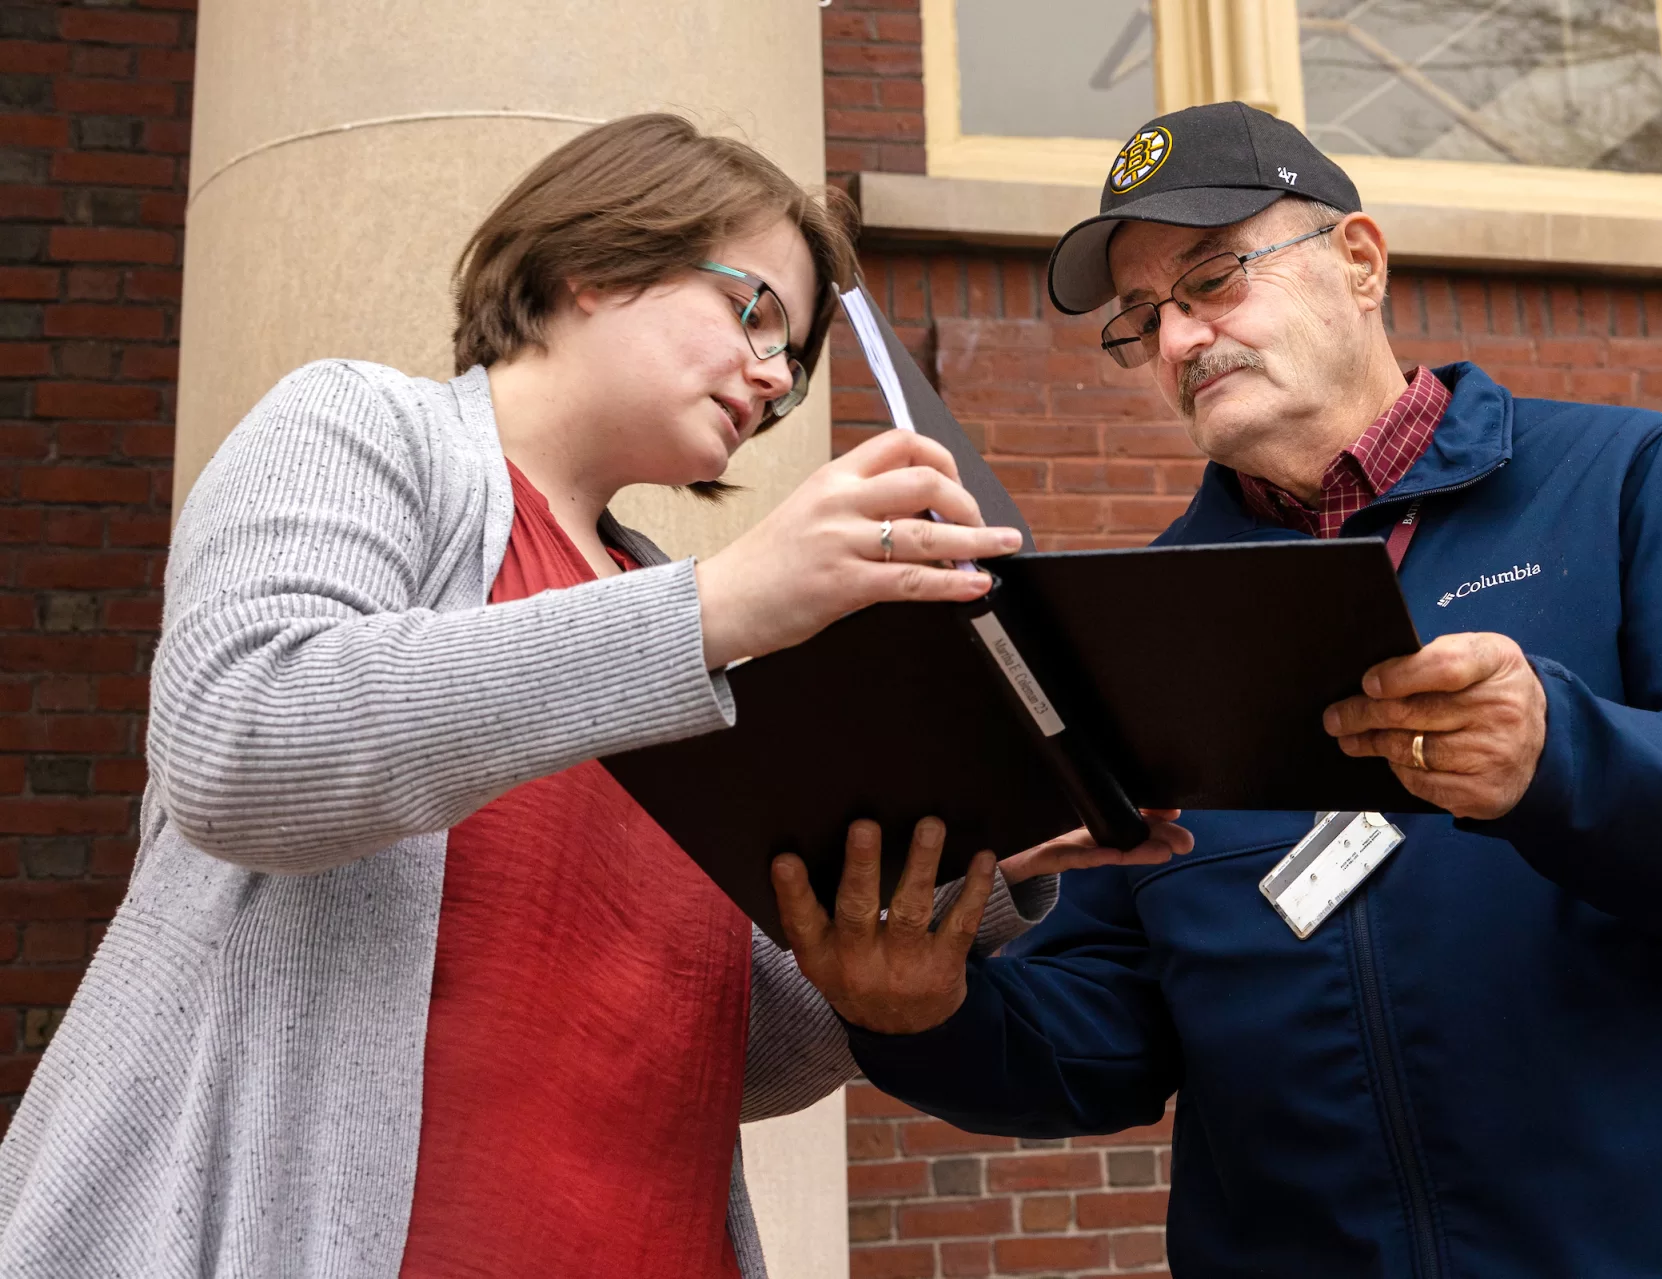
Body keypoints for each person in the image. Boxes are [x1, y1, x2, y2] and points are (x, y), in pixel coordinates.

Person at [0, 114, 1192, 1279]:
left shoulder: (691, 619)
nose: (775, 378)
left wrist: (987, 861)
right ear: (589, 261)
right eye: (753, 312)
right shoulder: (361, 426)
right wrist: (716, 608)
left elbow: (735, 1048)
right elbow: (238, 747)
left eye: (793, 353)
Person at [776, 101, 1662, 1277]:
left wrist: (1562, 757)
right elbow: (1113, 1028)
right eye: (1140, 317)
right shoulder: (1140, 621)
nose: (1176, 340)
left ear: (1358, 263)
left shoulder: (1625, 483)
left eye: (1212, 279)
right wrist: (929, 1016)